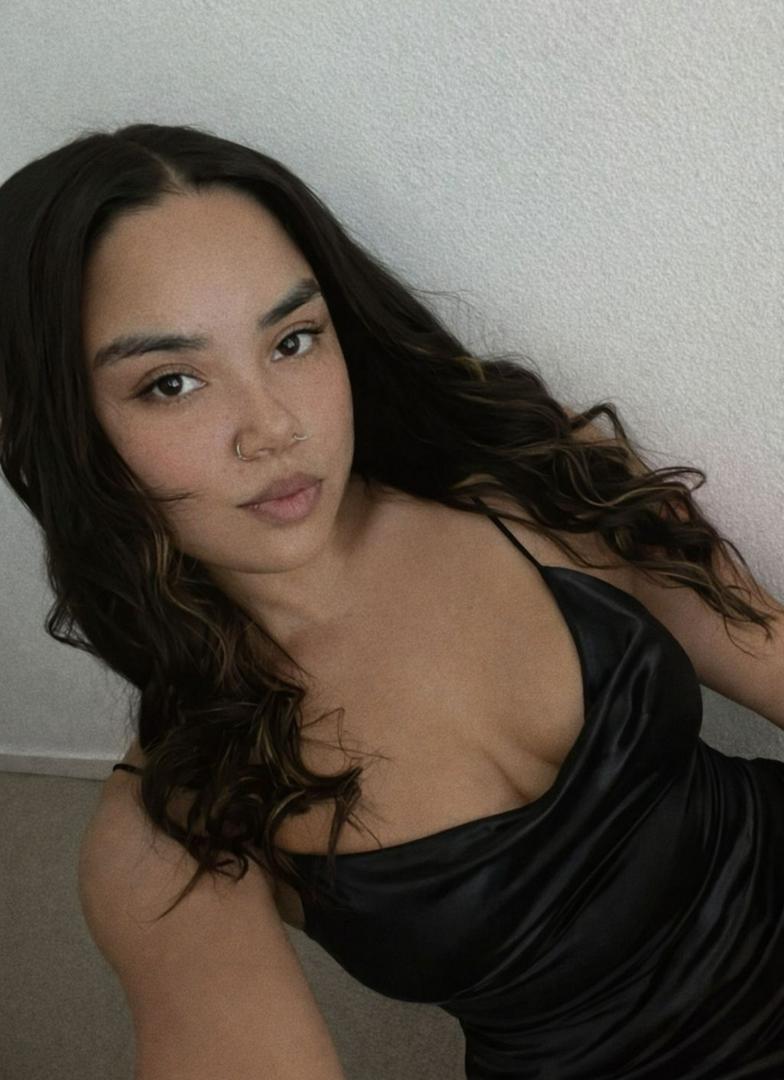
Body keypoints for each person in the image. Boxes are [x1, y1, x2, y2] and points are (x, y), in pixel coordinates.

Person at [1, 122, 782, 1079]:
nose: (273, 427)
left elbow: (771, 652)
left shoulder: (522, 476)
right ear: (62, 431)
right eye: (172, 383)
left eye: (293, 339)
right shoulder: (177, 828)